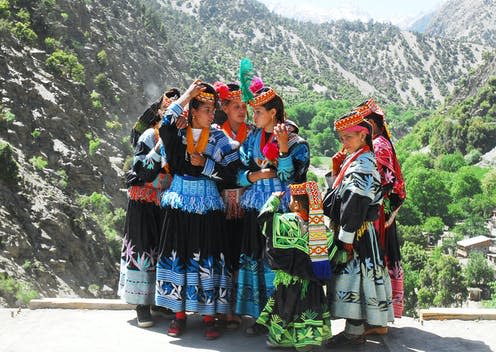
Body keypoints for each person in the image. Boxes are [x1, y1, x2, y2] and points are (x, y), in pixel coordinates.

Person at [155, 80, 240, 340]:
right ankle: (179, 316)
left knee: (207, 257)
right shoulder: (178, 133)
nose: (212, 114)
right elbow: (165, 123)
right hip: (180, 202)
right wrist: (188, 94)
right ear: (193, 111)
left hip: (207, 204)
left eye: (213, 110)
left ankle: (209, 316)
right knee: (179, 254)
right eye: (207, 109)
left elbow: (231, 173)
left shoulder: (218, 138)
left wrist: (205, 164)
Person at [235, 83, 310, 336]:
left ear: (273, 113)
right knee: (256, 257)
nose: (253, 116)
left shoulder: (297, 142)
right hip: (254, 206)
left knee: (277, 264)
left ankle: (281, 316)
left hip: (281, 210)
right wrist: (255, 176)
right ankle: (259, 316)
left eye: (258, 112)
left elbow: (293, 177)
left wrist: (283, 149)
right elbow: (238, 174)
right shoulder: (252, 138)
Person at [323, 110, 394, 346]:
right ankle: (354, 332)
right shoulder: (355, 159)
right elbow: (342, 196)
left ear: (363, 136)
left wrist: (345, 240)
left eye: (349, 137)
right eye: (341, 137)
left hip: (356, 233)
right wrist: (335, 172)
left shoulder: (363, 164)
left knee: (354, 279)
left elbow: (354, 204)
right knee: (355, 281)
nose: (344, 142)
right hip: (356, 231)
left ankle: (353, 335)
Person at [118, 88, 180, 328]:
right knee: (143, 249)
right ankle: (141, 305)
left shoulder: (176, 139)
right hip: (144, 201)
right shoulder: (148, 137)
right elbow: (141, 170)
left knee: (159, 250)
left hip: (163, 202)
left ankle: (157, 301)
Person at [256, 181, 336, 351]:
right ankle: (306, 342)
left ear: (298, 204)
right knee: (308, 309)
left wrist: (273, 200)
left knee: (285, 308)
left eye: (292, 200)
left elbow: (264, 220)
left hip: (288, 282)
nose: (290, 203)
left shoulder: (286, 221)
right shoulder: (322, 229)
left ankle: (281, 339)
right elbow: (334, 255)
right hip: (311, 285)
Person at [357, 99, 407, 332]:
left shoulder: (379, 145)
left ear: (370, 124)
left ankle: (377, 321)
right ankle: (375, 319)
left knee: (375, 261)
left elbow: (385, 182)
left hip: (378, 215)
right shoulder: (378, 143)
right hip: (376, 212)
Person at [213, 81, 254, 329]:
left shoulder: (252, 133)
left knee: (241, 253)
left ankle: (237, 307)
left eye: (244, 106)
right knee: (224, 252)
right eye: (236, 106)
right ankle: (223, 307)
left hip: (247, 202)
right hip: (221, 201)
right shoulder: (217, 132)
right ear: (225, 107)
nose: (241, 110)